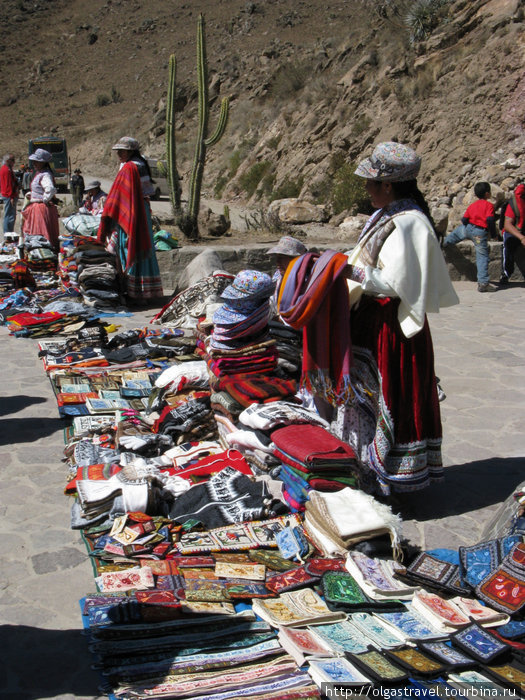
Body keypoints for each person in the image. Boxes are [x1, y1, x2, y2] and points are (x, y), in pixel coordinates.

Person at [277, 142, 459, 496]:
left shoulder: (410, 224)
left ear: (388, 185)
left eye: (370, 183)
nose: (366, 189)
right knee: (361, 399)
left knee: (385, 397)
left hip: (390, 328)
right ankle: (361, 466)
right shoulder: (388, 216)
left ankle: (387, 476)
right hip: (369, 322)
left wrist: (343, 268)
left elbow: (395, 282)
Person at [97, 136, 163, 302]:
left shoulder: (130, 167)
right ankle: (144, 292)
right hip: (141, 211)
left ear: (131, 151)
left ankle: (135, 292)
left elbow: (121, 193)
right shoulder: (139, 165)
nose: (119, 153)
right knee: (141, 245)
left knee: (130, 245)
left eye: (122, 150)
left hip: (133, 213)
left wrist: (112, 206)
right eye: (118, 150)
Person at [442, 182, 497, 292]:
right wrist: (494, 234)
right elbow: (490, 220)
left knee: (455, 234)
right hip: (479, 233)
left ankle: (443, 243)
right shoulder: (489, 205)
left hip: (468, 228)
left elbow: (464, 219)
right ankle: (483, 283)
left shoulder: (473, 205)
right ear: (487, 194)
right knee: (482, 255)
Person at [21, 148, 59, 251]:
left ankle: (43, 255)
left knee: (40, 233)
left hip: (40, 209)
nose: (34, 163)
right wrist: (32, 195)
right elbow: (40, 189)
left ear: (43, 163)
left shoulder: (45, 174)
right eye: (34, 161)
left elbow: (50, 189)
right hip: (38, 207)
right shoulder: (40, 173)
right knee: (36, 234)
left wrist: (44, 199)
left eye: (37, 161)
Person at [499, 183, 525, 285]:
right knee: (508, 246)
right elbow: (507, 225)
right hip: (514, 232)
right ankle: (505, 273)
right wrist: (522, 238)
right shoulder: (514, 204)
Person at [1, 153, 19, 236]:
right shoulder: (7, 170)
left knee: (9, 215)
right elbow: (9, 184)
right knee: (10, 216)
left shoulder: (5, 169)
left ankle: (8, 232)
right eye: (13, 160)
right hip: (9, 195)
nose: (14, 162)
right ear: (8, 161)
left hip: (7, 195)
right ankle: (8, 233)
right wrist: (11, 196)